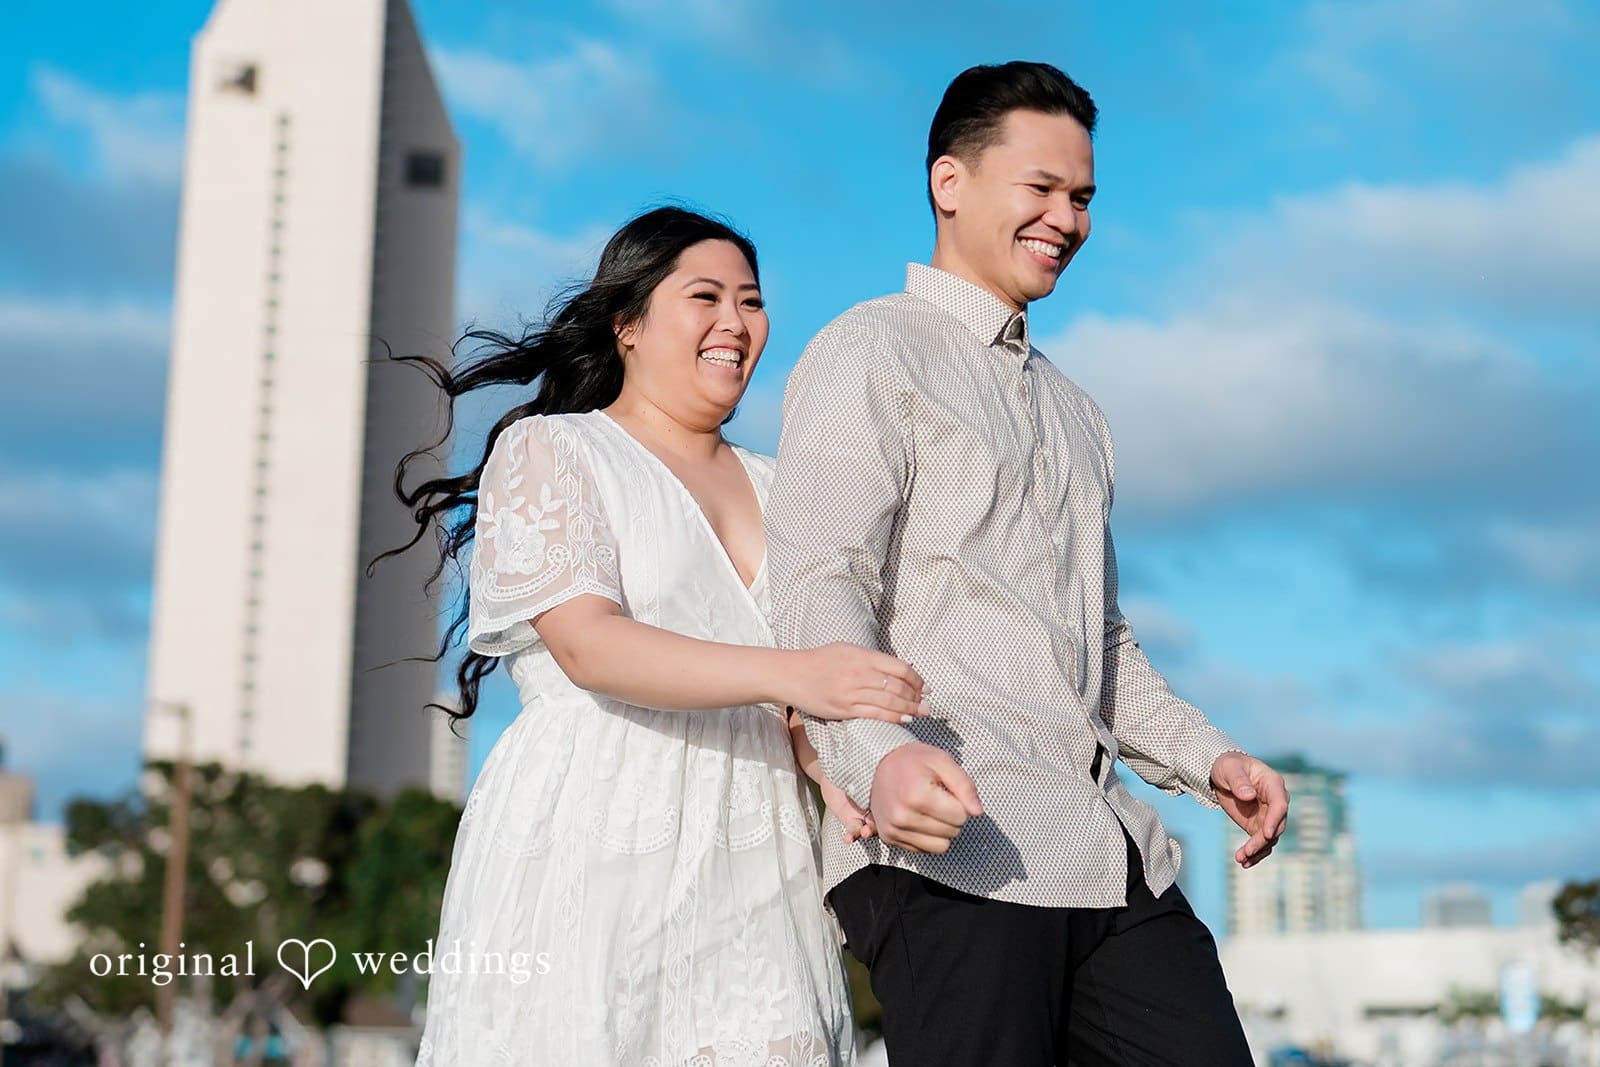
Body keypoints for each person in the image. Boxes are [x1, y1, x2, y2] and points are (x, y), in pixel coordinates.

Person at [765, 63, 1291, 1066]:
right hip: (950, 843)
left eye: (1083, 197)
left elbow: (1097, 641)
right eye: (1041, 188)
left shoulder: (1078, 414)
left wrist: (1208, 757)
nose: (1067, 217)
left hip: (1108, 847)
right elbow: (818, 575)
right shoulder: (870, 348)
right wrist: (879, 754)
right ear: (949, 182)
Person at [388, 206, 924, 1065]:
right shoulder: (555, 450)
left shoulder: (788, 488)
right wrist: (797, 675)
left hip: (756, 845)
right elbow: (589, 646)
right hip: (598, 824)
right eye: (704, 296)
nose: (735, 322)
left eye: (750, 301)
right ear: (627, 324)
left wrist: (836, 771)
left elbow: (803, 693)